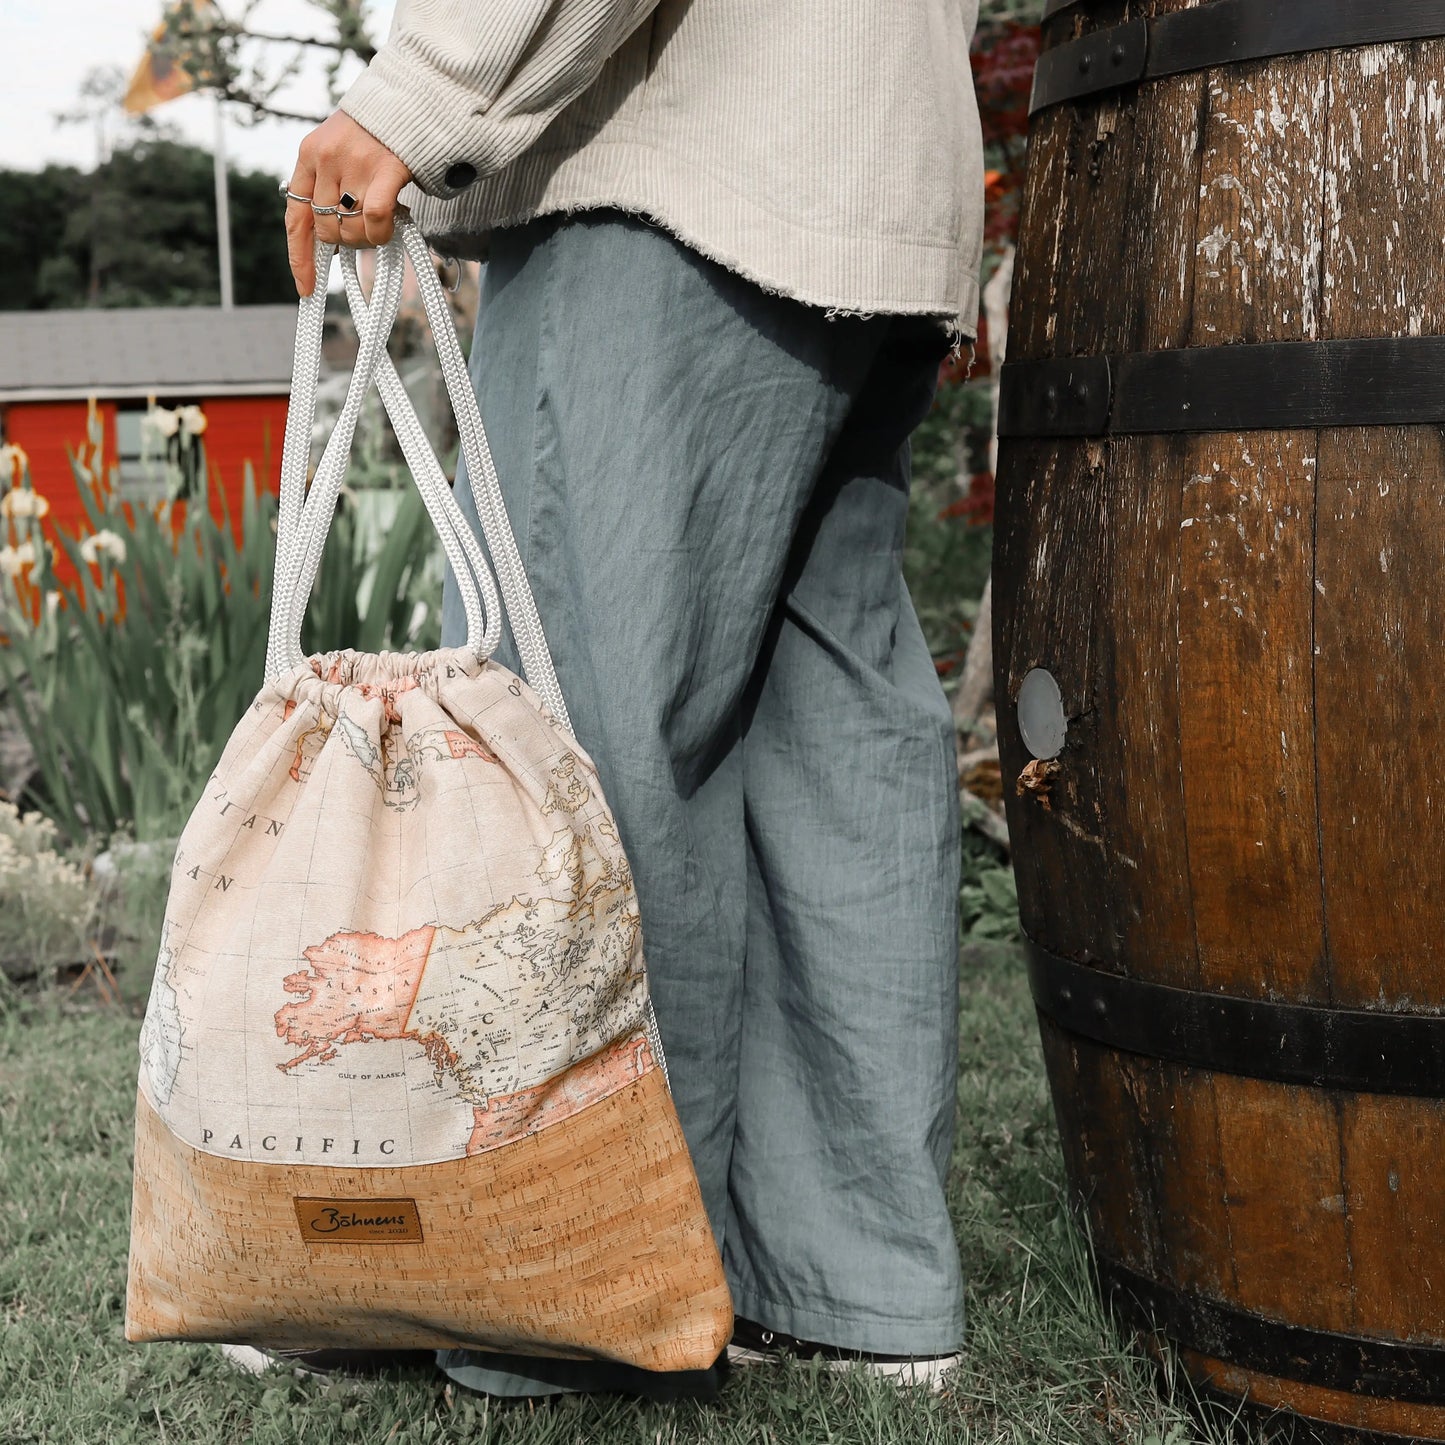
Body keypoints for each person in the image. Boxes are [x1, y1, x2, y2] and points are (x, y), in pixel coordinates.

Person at [282, 0, 986, 1401]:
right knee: (820, 733)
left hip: (674, 177)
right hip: (866, 172)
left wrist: (418, 96)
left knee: (565, 735)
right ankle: (851, 1288)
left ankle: (564, 1289)